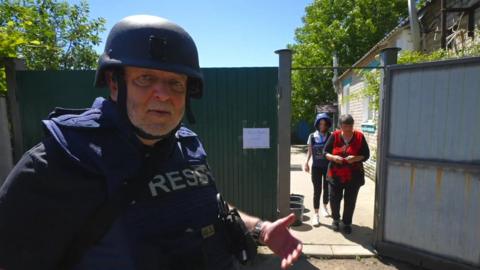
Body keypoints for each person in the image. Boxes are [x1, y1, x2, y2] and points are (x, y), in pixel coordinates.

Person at [0, 15, 302, 270]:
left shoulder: (187, 145)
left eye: (175, 83)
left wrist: (260, 229)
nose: (163, 94)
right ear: (114, 84)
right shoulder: (59, 161)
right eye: (145, 79)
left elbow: (210, 207)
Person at [324, 114, 369, 234]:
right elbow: (325, 152)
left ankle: (347, 223)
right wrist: (333, 157)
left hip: (353, 176)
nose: (348, 129)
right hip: (335, 175)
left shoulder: (359, 137)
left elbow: (366, 155)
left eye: (350, 126)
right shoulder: (334, 136)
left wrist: (355, 158)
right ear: (340, 126)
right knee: (334, 199)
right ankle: (335, 220)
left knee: (350, 201)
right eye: (345, 126)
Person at [303, 113, 331, 226]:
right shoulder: (312, 136)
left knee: (327, 188)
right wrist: (306, 162)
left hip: (328, 167)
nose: (322, 126)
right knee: (317, 190)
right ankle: (316, 214)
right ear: (317, 124)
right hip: (316, 167)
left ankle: (324, 207)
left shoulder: (331, 136)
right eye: (320, 124)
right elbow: (309, 151)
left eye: (324, 124)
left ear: (328, 124)